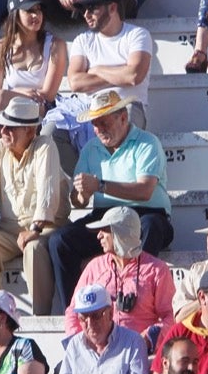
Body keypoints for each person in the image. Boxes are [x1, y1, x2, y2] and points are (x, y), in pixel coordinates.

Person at [49, 89, 171, 310]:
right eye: (95, 124)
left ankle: (137, 298)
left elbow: (145, 191)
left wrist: (100, 186)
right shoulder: (90, 148)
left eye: (104, 122)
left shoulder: (147, 142)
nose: (99, 130)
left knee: (150, 227)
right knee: (60, 241)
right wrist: (81, 194)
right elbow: (78, 201)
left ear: (123, 118)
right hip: (105, 216)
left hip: (146, 212)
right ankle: (75, 309)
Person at [0, 97, 69, 316]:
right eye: (3, 125)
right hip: (10, 228)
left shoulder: (45, 146)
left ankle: (39, 316)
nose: (3, 130)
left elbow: (47, 192)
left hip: (47, 226)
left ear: (30, 131)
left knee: (34, 248)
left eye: (11, 127)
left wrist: (34, 230)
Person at [0, 0, 67, 176]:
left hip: (43, 108)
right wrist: (22, 92)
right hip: (11, 108)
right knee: (1, 98)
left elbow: (48, 94)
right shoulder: (1, 47)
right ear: (15, 15)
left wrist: (17, 93)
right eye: (29, 11)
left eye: (39, 10)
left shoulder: (56, 44)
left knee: (3, 98)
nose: (36, 15)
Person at [63, 206, 175, 341]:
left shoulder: (157, 270)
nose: (99, 236)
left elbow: (170, 316)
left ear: (120, 234)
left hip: (141, 353)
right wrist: (79, 345)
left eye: (105, 230)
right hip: (99, 353)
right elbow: (73, 312)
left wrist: (147, 339)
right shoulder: (94, 268)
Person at [65, 0, 153, 129]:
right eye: (84, 9)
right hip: (90, 107)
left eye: (92, 8)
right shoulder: (82, 40)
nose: (86, 14)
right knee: (53, 130)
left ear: (112, 8)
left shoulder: (138, 35)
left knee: (125, 118)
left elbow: (133, 76)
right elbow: (75, 82)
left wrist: (96, 70)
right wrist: (120, 76)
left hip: (126, 104)